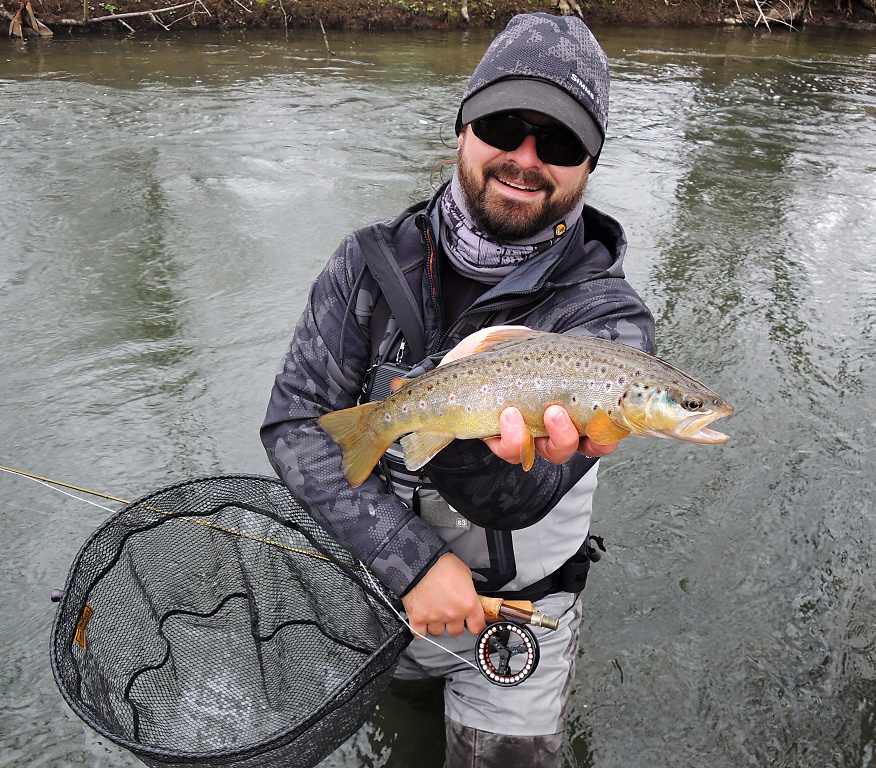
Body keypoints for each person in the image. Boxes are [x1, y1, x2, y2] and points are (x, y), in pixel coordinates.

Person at [261, 12, 655, 768]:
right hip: (381, 596)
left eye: (562, 142)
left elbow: (517, 499)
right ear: (463, 127)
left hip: (518, 624)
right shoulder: (366, 267)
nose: (526, 158)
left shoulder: (610, 326)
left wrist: (456, 435)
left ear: (589, 166)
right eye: (505, 124)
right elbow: (294, 425)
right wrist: (408, 562)